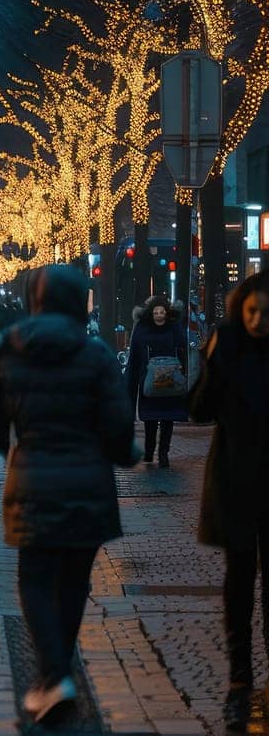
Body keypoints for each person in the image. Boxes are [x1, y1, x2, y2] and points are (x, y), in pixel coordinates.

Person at [0, 265, 136, 725]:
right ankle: (56, 672)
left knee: (33, 579)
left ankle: (52, 675)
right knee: (72, 582)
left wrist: (17, 450)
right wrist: (118, 452)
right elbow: (119, 425)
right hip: (89, 481)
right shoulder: (97, 354)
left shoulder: (8, 352)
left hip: (33, 479)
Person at [189, 272, 269, 732]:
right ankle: (240, 670)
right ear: (240, 311)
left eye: (265, 313)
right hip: (236, 477)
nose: (258, 319)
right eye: (251, 311)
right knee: (238, 576)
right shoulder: (228, 349)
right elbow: (198, 410)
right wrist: (212, 363)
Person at [125, 295, 189, 467]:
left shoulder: (174, 327)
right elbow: (135, 357)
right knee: (151, 420)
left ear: (167, 313)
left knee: (168, 419)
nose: (159, 315)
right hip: (149, 380)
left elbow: (183, 350)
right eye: (156, 312)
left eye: (162, 312)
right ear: (151, 314)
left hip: (170, 380)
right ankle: (150, 451)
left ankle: (163, 453)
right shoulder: (142, 329)